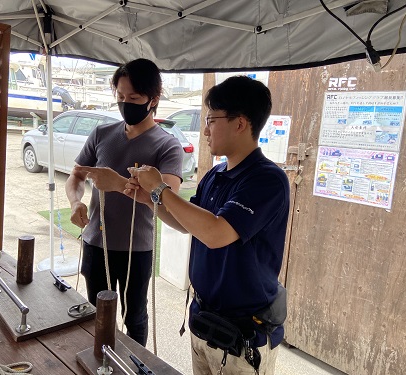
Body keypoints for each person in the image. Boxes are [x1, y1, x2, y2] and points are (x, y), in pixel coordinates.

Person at [127, 76, 290, 374]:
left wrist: (161, 188)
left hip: (242, 337)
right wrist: (148, 198)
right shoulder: (215, 175)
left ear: (240, 123)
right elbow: (188, 224)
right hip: (204, 321)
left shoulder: (266, 179)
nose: (205, 130)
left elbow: (216, 233)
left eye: (211, 120)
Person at [65, 58, 183, 347]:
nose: (125, 103)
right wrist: (75, 202)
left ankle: (135, 364)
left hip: (136, 249)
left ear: (153, 100)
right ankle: (98, 361)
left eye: (134, 98)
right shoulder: (101, 133)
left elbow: (168, 203)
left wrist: (117, 184)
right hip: (96, 242)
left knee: (135, 318)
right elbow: (77, 175)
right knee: (96, 313)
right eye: (120, 96)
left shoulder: (167, 145)